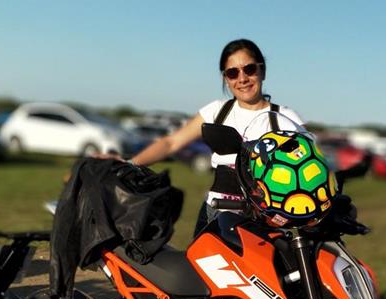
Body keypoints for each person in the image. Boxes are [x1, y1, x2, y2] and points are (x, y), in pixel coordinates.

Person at [129, 38, 304, 232]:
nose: (242, 78)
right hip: (215, 215)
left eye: (249, 69)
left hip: (264, 222)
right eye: (232, 73)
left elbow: (311, 165)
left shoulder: (285, 118)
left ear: (262, 71)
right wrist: (128, 165)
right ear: (225, 79)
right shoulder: (217, 111)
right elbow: (171, 143)